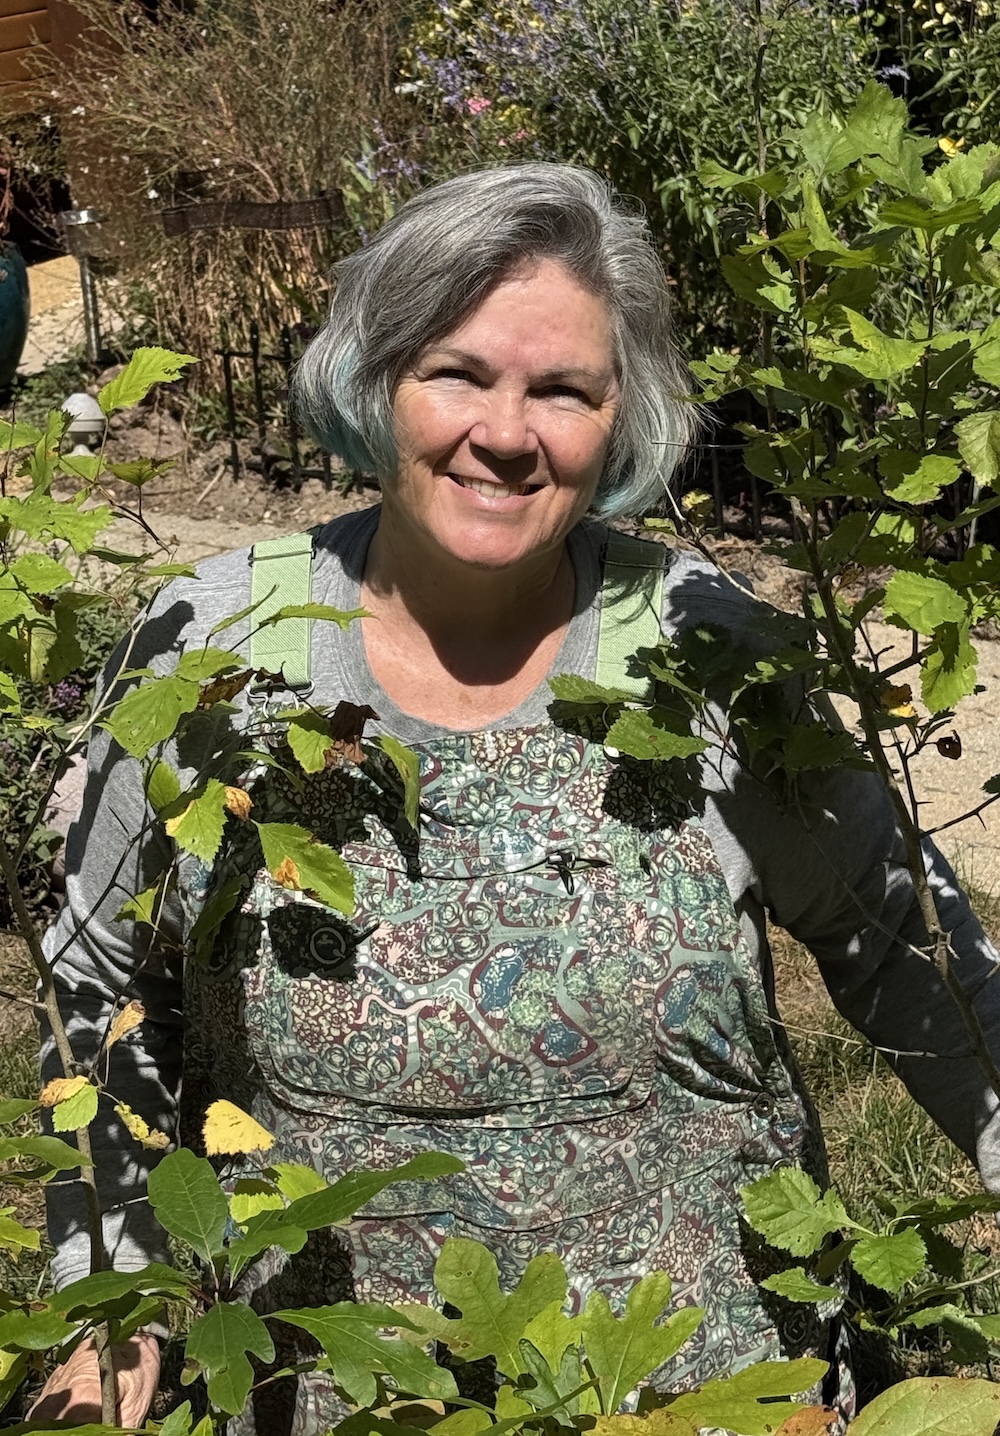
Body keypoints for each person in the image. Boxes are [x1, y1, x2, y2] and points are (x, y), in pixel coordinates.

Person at [31, 162, 1000, 1433]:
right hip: (336, 1385)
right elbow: (96, 992)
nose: (506, 430)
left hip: (712, 1390)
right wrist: (119, 1298)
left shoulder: (711, 657)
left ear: (621, 420)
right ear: (373, 381)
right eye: (458, 372)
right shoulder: (213, 650)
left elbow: (908, 960)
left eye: (561, 389)